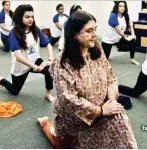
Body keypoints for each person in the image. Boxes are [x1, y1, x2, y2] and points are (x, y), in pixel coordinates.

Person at [37, 11, 137, 149]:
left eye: (95, 29)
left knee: (119, 119)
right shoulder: (63, 62)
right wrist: (100, 111)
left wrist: (112, 101)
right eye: (89, 31)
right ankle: (44, 123)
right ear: (74, 35)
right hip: (74, 120)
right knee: (59, 144)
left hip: (102, 109)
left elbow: (111, 78)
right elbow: (69, 99)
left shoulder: (97, 50)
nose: (94, 34)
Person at [0, 4, 55, 102]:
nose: (30, 19)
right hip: (21, 65)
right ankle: (0, 79)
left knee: (49, 71)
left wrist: (50, 58)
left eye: (32, 17)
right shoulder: (14, 33)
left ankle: (48, 94)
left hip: (35, 60)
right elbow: (18, 57)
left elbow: (48, 44)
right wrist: (33, 67)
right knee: (14, 91)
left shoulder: (36, 30)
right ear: (20, 17)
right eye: (27, 17)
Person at [101, 1, 139, 65]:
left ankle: (132, 59)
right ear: (117, 7)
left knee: (133, 40)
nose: (122, 8)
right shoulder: (113, 16)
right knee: (104, 60)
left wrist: (133, 35)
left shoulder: (125, 16)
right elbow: (118, 30)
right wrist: (126, 38)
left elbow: (131, 25)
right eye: (120, 6)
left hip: (118, 39)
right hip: (108, 40)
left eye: (124, 6)